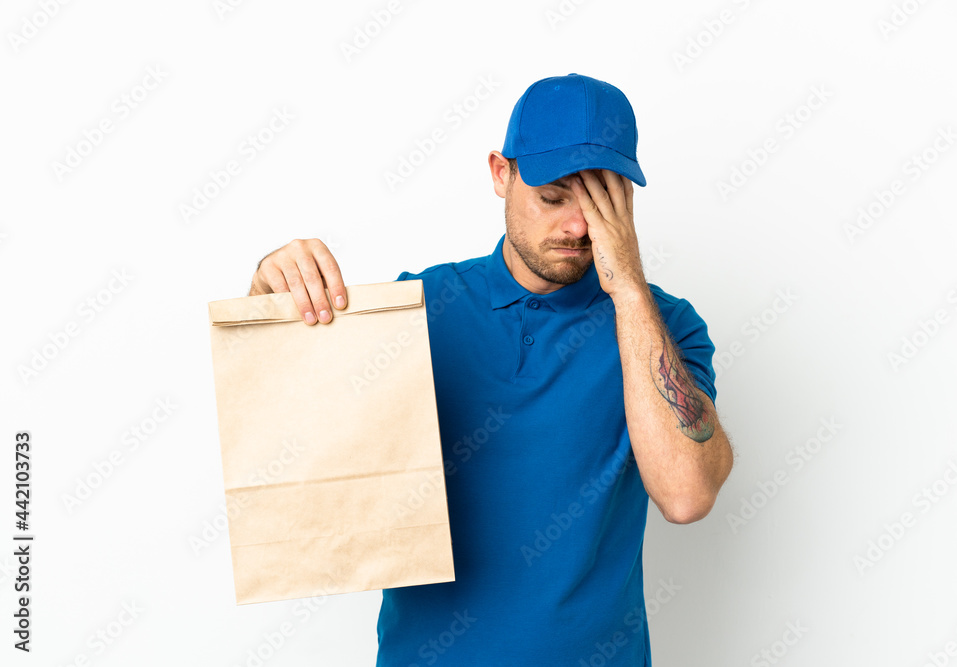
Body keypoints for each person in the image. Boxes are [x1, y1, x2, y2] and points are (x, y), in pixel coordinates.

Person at [248, 73, 733, 666]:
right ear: (501, 175)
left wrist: (628, 289)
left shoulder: (667, 326)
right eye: (554, 197)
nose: (578, 228)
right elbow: (287, 452)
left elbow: (687, 495)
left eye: (601, 203)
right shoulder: (417, 309)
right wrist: (268, 300)